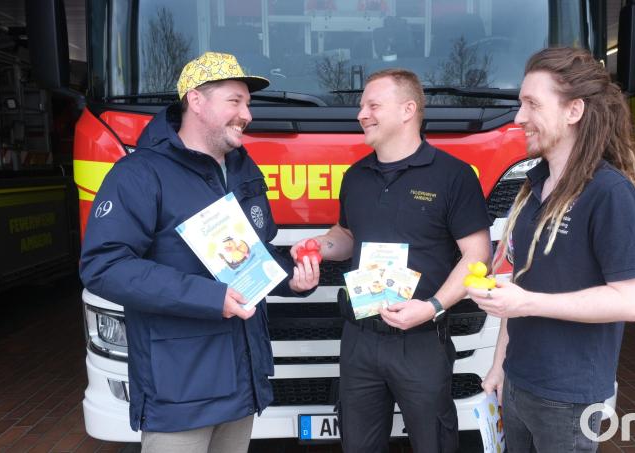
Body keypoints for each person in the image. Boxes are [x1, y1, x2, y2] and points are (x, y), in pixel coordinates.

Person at [79, 52, 320, 453]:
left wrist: (292, 278)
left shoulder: (243, 169)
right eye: (235, 101)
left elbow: (249, 256)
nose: (247, 114)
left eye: (248, 103)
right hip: (181, 391)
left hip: (241, 383)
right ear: (196, 100)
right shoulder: (139, 174)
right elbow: (104, 266)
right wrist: (212, 298)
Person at [291, 68, 492, 453]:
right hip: (360, 339)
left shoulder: (453, 176)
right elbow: (347, 237)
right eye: (362, 106)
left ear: (407, 110)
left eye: (372, 105)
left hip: (420, 340)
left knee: (434, 442)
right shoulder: (356, 177)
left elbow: (477, 254)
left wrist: (432, 307)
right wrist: (317, 244)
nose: (361, 114)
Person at [467, 47, 635, 452]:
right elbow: (519, 286)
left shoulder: (610, 192)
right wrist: (498, 365)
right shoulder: (534, 186)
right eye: (520, 104)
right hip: (517, 381)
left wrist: (528, 303)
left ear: (574, 111)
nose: (519, 118)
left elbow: (631, 301)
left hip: (568, 397)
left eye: (532, 104)